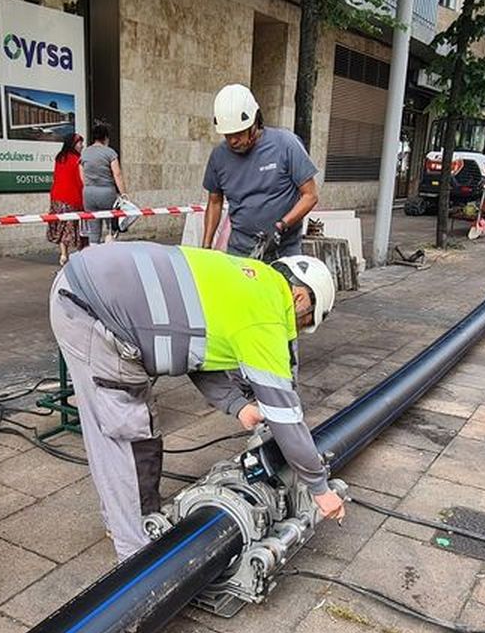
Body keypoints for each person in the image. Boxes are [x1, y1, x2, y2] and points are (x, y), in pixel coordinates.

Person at [49, 241, 345, 560]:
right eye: (305, 321)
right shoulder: (267, 315)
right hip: (91, 308)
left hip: (93, 288)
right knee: (127, 434)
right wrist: (319, 488)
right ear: (300, 297)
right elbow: (284, 415)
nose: (297, 332)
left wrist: (238, 405)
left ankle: (130, 521)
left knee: (139, 425)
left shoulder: (248, 280)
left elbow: (191, 348)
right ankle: (136, 560)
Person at [201, 84, 319, 260]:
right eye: (227, 135)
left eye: (239, 133)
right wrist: (206, 248)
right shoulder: (219, 157)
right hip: (240, 251)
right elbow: (215, 202)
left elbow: (310, 195)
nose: (233, 140)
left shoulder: (285, 144)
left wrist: (282, 225)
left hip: (283, 250)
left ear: (255, 122)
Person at [81, 122, 127, 245]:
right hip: (107, 193)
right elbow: (117, 174)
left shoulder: (85, 153)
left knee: (93, 230)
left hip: (89, 193)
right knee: (111, 227)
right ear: (106, 137)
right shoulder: (110, 153)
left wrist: (89, 186)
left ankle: (93, 256)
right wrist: (123, 194)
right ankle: (109, 253)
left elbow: (82, 174)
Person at [48, 132, 85, 265]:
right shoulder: (78, 159)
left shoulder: (60, 157)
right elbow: (82, 180)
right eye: (80, 143)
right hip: (71, 197)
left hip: (57, 196)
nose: (82, 146)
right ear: (73, 144)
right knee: (73, 226)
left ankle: (64, 253)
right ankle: (81, 253)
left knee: (60, 226)